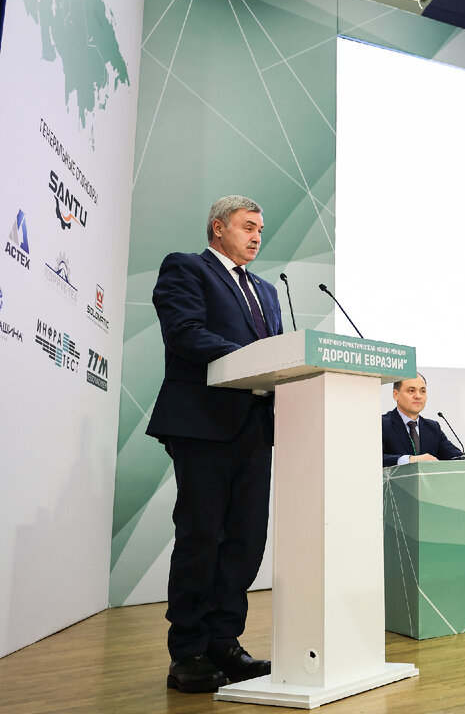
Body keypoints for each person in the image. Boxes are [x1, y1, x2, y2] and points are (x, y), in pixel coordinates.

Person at [146, 196, 282, 693]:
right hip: (203, 424)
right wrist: (252, 359)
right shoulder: (186, 268)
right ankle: (188, 651)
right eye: (248, 226)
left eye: (261, 229)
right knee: (201, 537)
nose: (257, 236)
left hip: (256, 428)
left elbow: (277, 352)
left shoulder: (267, 291)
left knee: (246, 540)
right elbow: (185, 333)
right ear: (218, 228)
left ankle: (224, 642)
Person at [383, 373, 464, 465]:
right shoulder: (382, 424)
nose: (418, 396)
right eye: (411, 390)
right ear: (396, 394)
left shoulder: (433, 427)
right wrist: (409, 460)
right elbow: (374, 458)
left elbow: (456, 457)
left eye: (422, 391)